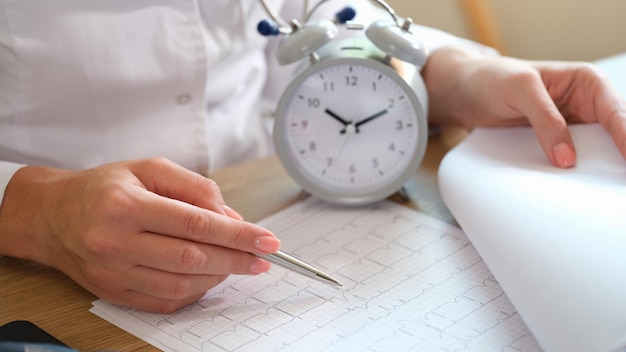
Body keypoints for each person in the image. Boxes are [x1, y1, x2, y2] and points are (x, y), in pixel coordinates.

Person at [0, 1, 624, 314]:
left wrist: (454, 78)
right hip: (37, 283)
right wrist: (34, 209)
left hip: (277, 197)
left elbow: (320, 15)